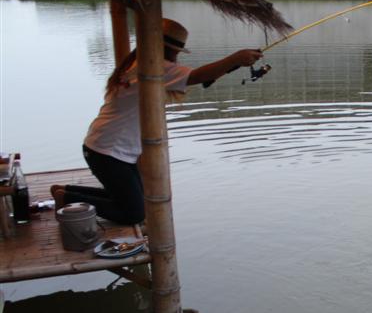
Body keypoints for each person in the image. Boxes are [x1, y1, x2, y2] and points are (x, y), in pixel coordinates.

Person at [52, 19, 262, 225]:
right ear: (166, 49)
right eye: (175, 52)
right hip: (109, 151)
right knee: (134, 214)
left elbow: (199, 76)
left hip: (102, 146)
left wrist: (225, 67)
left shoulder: (137, 62)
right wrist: (236, 58)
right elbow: (197, 76)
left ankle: (67, 191)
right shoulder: (155, 66)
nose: (176, 56)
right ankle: (66, 199)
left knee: (136, 198)